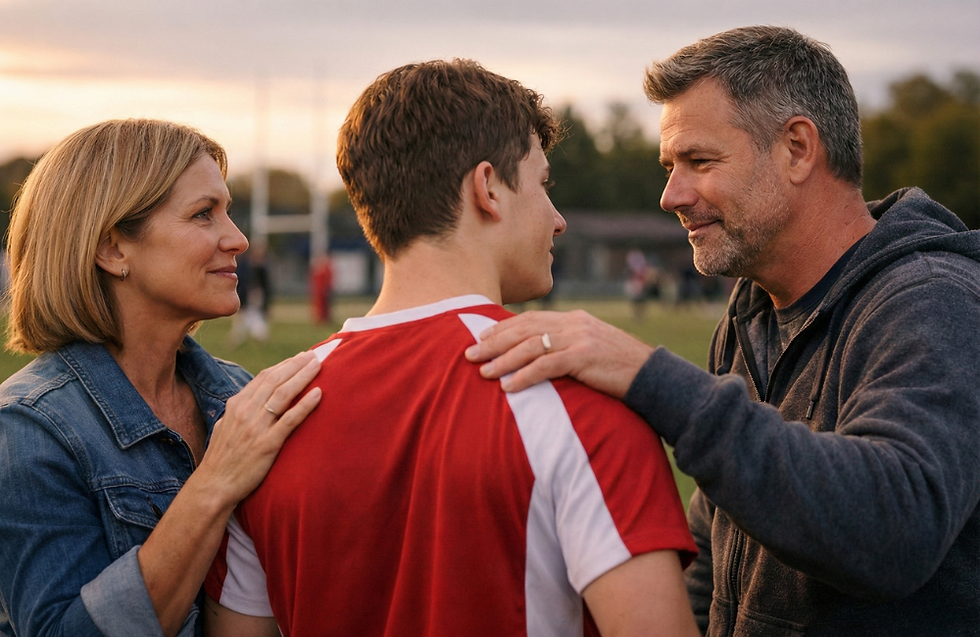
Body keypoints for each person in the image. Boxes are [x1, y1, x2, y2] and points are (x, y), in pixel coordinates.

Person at [465, 26, 980, 637]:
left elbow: (895, 530)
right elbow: (718, 549)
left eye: (699, 161)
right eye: (669, 166)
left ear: (796, 149)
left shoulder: (931, 297)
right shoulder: (750, 313)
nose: (670, 194)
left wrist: (655, 381)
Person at [203, 59, 699, 637]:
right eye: (542, 184)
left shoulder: (268, 419)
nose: (558, 219)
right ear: (486, 187)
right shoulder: (576, 400)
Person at [0, 119, 323, 637]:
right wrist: (216, 482)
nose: (237, 239)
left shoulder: (240, 392)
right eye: (203, 215)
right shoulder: (27, 429)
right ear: (113, 249)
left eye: (228, 212)